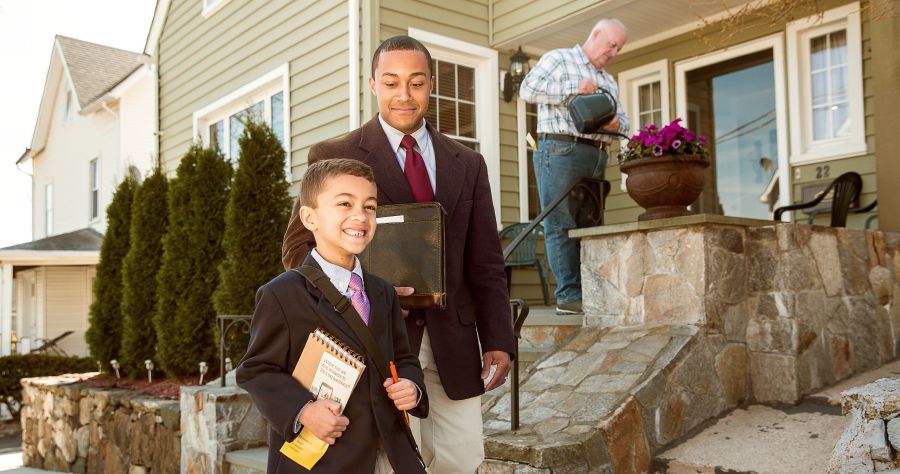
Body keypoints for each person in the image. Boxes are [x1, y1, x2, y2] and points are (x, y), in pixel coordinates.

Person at [282, 35, 516, 473]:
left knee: (462, 462)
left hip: (454, 343)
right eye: (391, 82)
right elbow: (299, 251)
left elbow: (485, 262)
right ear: (373, 84)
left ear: (431, 85)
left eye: (415, 82)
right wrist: (362, 288)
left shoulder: (468, 163)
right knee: (392, 466)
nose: (403, 95)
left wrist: (500, 339)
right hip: (374, 341)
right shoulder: (333, 155)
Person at [237, 159, 428, 473]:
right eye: (344, 203)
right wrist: (303, 410)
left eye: (369, 206)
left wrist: (411, 385)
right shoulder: (282, 294)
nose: (360, 216)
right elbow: (256, 371)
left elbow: (404, 357)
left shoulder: (383, 293)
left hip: (390, 456)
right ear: (309, 217)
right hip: (325, 460)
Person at [518, 18, 629, 315]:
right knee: (561, 222)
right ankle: (569, 295)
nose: (614, 52)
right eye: (611, 44)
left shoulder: (609, 80)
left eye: (619, 48)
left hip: (597, 153)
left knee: (590, 225)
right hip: (560, 149)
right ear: (595, 34)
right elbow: (528, 89)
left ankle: (589, 293)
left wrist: (617, 123)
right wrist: (573, 88)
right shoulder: (559, 59)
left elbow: (624, 121)